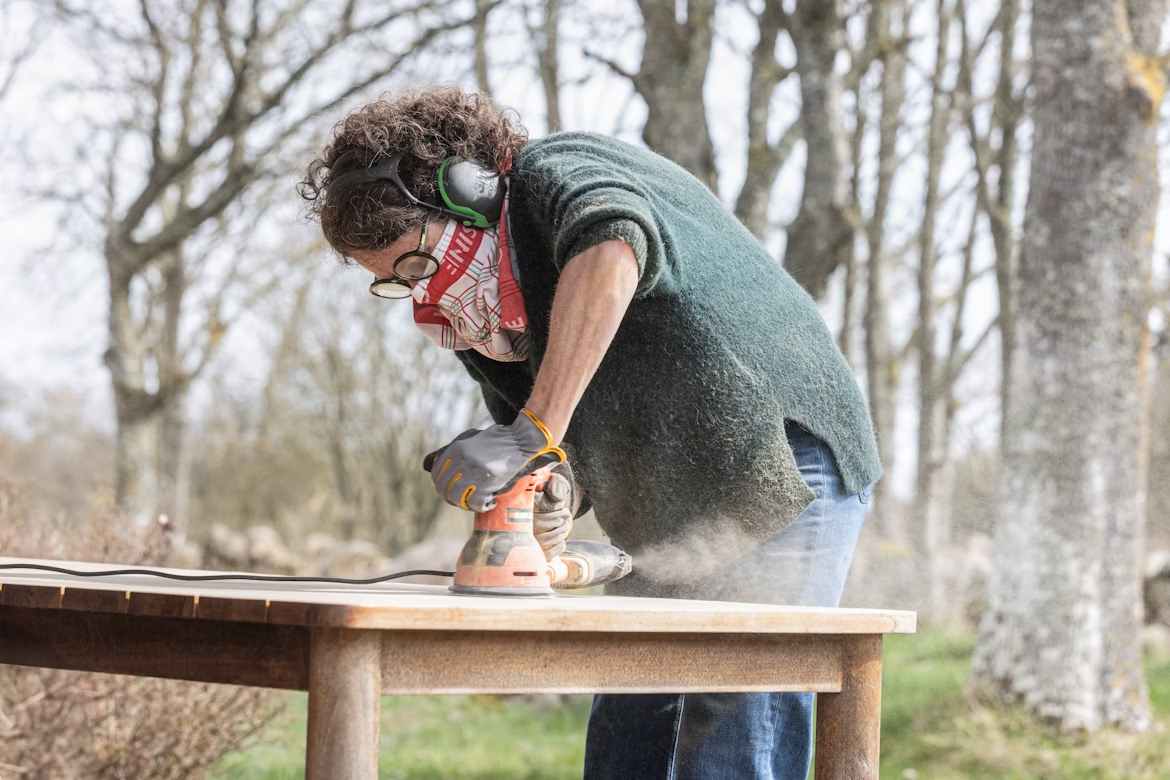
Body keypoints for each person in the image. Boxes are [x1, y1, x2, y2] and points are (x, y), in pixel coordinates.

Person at [299, 85, 881, 780]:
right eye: (395, 283)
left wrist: (534, 430)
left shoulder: (559, 172)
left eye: (417, 264)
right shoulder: (484, 324)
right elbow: (555, 447)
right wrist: (548, 494)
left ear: (469, 191)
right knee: (629, 723)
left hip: (785, 456)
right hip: (672, 508)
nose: (422, 297)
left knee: (732, 719)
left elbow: (611, 246)